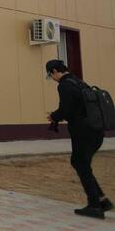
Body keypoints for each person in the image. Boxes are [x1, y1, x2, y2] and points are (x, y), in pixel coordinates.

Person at [46, 59, 112, 219]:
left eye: (50, 75)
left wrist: (54, 116)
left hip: (83, 132)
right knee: (82, 164)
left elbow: (66, 109)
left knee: (80, 163)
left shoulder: (64, 85)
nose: (52, 78)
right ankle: (101, 200)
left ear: (54, 71)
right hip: (96, 131)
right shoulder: (78, 81)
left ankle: (95, 205)